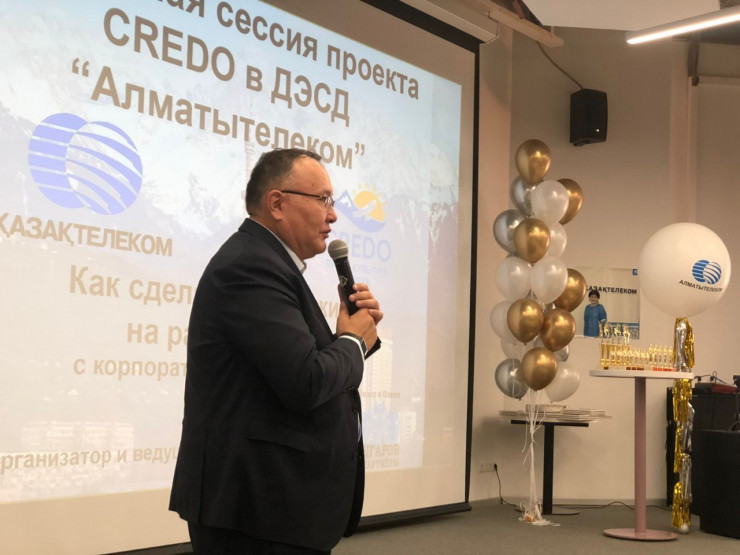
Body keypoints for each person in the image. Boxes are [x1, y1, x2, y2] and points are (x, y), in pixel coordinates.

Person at [169, 148, 383, 554]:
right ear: (277, 203)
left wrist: (356, 337)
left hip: (274, 508)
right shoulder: (249, 266)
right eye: (323, 199)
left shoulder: (267, 263)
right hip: (255, 511)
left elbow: (292, 368)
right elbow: (306, 381)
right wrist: (353, 342)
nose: (333, 215)